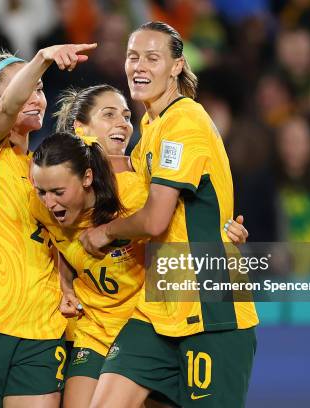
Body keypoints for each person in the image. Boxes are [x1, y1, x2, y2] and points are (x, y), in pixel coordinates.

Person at [31, 84, 248, 408]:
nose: (123, 123)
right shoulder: (50, 186)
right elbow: (55, 242)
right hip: (95, 328)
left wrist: (225, 236)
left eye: (127, 115)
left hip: (151, 323)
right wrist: (64, 283)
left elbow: (183, 226)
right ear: (81, 128)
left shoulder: (143, 189)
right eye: (109, 114)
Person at [80, 22, 259, 408]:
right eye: (132, 56)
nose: (138, 66)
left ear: (177, 66)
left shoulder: (184, 123)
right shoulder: (149, 128)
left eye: (152, 57)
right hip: (158, 306)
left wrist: (105, 233)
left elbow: (155, 219)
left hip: (211, 309)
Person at [0, 42, 96, 408]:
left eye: (40, 88)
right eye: (25, 87)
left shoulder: (46, 173)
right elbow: (11, 108)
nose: (36, 97)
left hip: (42, 328)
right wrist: (41, 60)